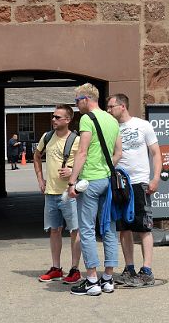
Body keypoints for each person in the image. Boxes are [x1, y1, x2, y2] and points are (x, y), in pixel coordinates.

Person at [66, 83, 120, 296]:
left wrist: (72, 182)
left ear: (86, 99)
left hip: (89, 180)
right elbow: (119, 153)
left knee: (86, 229)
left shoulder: (87, 119)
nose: (76, 105)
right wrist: (107, 168)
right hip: (107, 180)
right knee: (108, 227)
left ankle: (91, 280)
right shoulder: (112, 120)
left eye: (77, 100)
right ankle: (107, 278)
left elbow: (82, 152)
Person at [108, 93, 160, 288]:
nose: (109, 110)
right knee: (124, 227)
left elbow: (156, 152)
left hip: (139, 182)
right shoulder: (111, 128)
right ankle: (129, 268)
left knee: (144, 226)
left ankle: (146, 270)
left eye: (111, 106)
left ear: (122, 106)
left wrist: (155, 178)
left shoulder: (142, 125)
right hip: (119, 183)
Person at [35, 105, 82, 285]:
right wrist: (40, 179)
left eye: (57, 117)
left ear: (68, 119)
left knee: (74, 230)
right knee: (54, 230)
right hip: (51, 192)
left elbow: (87, 161)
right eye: (52, 117)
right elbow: (37, 156)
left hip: (69, 192)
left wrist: (73, 172)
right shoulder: (47, 137)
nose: (53, 120)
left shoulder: (76, 140)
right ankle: (56, 268)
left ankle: (75, 268)